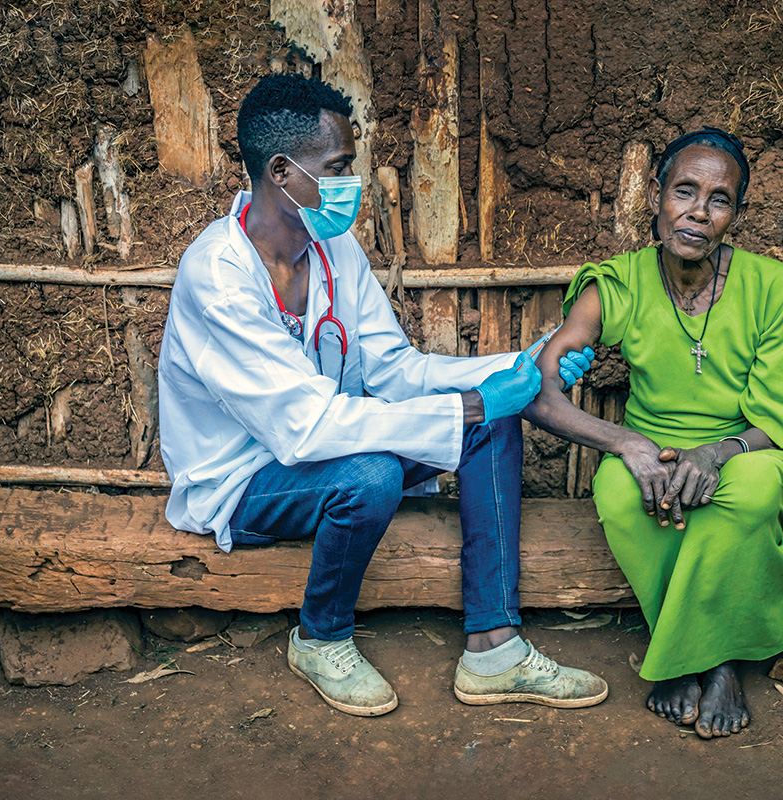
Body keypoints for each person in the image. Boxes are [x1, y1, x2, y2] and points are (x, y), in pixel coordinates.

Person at [158, 73, 606, 717]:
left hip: (324, 444)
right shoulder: (218, 275)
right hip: (245, 477)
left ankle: (493, 649)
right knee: (371, 476)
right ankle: (320, 638)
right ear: (282, 171)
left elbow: (395, 370)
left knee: (489, 424)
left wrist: (519, 364)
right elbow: (303, 429)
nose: (352, 184)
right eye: (336, 167)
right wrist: (474, 403)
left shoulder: (332, 246)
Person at [524, 128, 783, 739]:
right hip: (648, 449)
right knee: (619, 495)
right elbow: (540, 388)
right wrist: (626, 443)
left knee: (744, 495)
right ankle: (713, 653)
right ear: (655, 196)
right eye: (684, 191)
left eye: (718, 200)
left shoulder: (771, 287)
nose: (697, 211)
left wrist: (718, 453)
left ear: (735, 215)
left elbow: (782, 423)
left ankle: (701, 662)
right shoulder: (615, 282)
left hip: (745, 449)